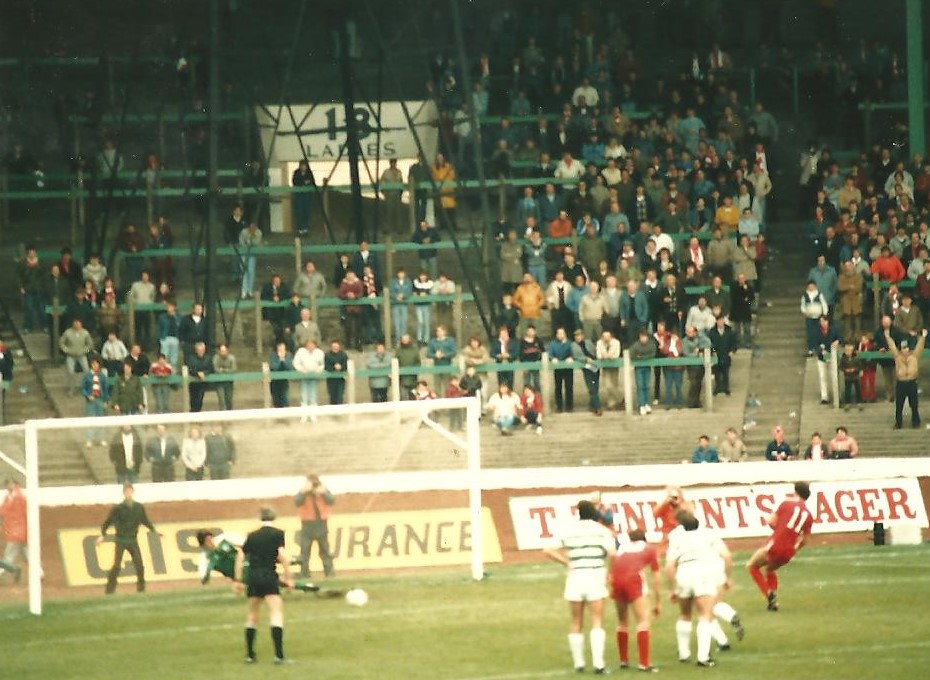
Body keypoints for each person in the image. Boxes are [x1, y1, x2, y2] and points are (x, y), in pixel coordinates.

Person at [545, 499, 616, 674]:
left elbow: (547, 550)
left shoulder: (568, 530)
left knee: (576, 622)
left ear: (578, 513)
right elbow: (613, 554)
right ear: (594, 513)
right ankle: (598, 664)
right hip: (595, 575)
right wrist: (610, 572)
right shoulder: (602, 531)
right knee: (597, 621)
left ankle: (579, 664)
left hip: (576, 576)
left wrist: (566, 562)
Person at [666, 509, 733, 667]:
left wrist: (672, 588)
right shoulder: (709, 534)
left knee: (684, 615)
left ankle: (684, 654)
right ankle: (703, 658)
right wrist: (727, 577)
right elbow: (727, 556)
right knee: (705, 615)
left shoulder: (675, 536)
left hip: (683, 574)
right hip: (702, 575)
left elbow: (669, 566)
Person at [235, 507, 292, 664]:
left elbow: (240, 557)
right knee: (275, 612)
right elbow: (283, 557)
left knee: (252, 615)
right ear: (274, 517)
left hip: (253, 577)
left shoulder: (252, 536)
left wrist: (238, 580)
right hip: (268, 576)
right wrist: (288, 578)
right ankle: (279, 655)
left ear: (260, 517)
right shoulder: (278, 534)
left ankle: (250, 655)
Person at [746, 481, 814, 612]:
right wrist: (795, 548)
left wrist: (774, 525)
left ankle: (769, 595)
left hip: (776, 544)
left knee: (752, 566)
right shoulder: (809, 516)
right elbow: (804, 540)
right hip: (789, 551)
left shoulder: (786, 503)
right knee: (769, 570)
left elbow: (772, 522)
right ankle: (773, 602)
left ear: (795, 492)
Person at [609, 528, 660, 672]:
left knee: (622, 621)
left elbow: (613, 559)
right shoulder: (649, 548)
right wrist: (658, 602)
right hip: (633, 580)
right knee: (643, 621)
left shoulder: (623, 548)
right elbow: (656, 577)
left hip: (617, 580)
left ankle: (623, 660)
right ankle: (644, 663)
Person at [97, 483, 160, 594]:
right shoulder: (118, 508)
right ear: (123, 493)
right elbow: (107, 522)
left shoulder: (139, 507)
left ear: (133, 492)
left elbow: (145, 520)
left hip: (132, 540)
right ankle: (109, 590)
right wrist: (102, 535)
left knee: (139, 565)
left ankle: (141, 589)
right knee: (116, 566)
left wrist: (154, 530)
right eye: (126, 492)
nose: (128, 494)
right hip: (121, 539)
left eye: (130, 491)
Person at [294, 474, 336, 578]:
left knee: (325, 551)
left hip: (321, 524)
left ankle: (329, 574)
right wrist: (304, 490)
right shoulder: (303, 492)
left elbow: (331, 500)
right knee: (304, 552)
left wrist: (324, 492)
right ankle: (304, 574)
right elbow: (297, 502)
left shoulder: (323, 491)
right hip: (307, 526)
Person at [886, 327, 927, 429]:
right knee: (899, 405)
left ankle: (916, 422)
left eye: (906, 348)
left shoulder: (914, 356)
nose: (905, 350)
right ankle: (898, 423)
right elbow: (892, 347)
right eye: (903, 348)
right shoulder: (897, 357)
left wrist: (923, 337)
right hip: (901, 383)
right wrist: (888, 337)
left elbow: (919, 346)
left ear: (909, 349)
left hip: (912, 382)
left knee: (914, 404)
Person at [0, 478, 27, 582]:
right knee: (28, 554)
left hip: (16, 531)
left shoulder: (16, 497)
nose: (7, 487)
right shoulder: (11, 497)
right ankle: (38, 573)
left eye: (8, 484)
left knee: (9, 555)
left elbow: (4, 511)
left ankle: (7, 571)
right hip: (20, 531)